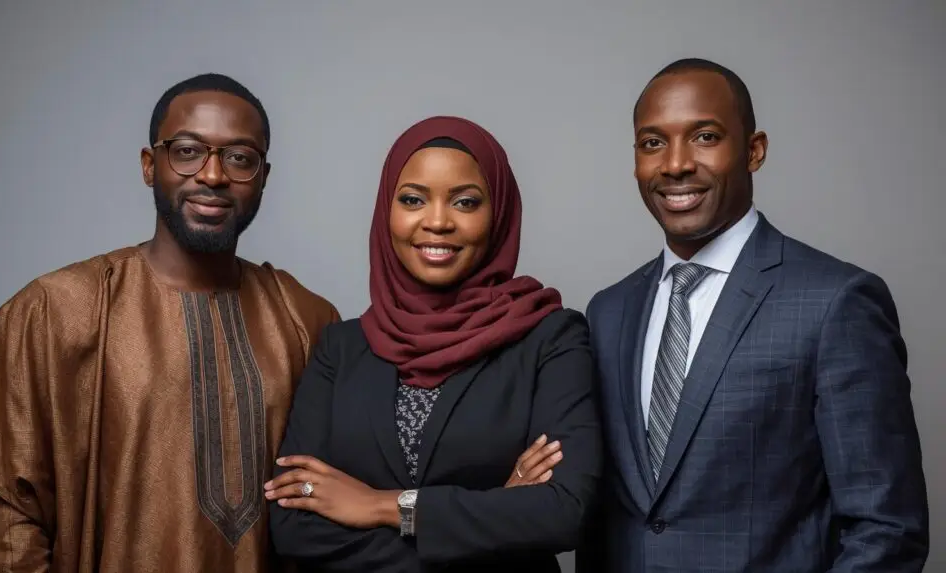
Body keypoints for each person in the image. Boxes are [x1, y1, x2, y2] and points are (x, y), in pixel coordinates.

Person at [0, 73, 340, 572]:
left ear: (264, 177)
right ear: (149, 165)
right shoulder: (57, 309)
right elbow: (7, 519)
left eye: (239, 158)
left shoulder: (305, 318)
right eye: (187, 151)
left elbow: (329, 502)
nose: (212, 175)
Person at [578, 58, 929, 572]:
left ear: (754, 150)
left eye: (704, 136)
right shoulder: (609, 311)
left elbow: (887, 530)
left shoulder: (836, 302)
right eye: (653, 142)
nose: (674, 164)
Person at [263, 115, 603, 572]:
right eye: (412, 199)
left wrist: (381, 506)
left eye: (465, 202)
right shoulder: (340, 348)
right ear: (388, 209)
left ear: (498, 213)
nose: (438, 221)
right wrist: (494, 519)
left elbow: (564, 513)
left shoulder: (550, 338)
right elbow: (293, 528)